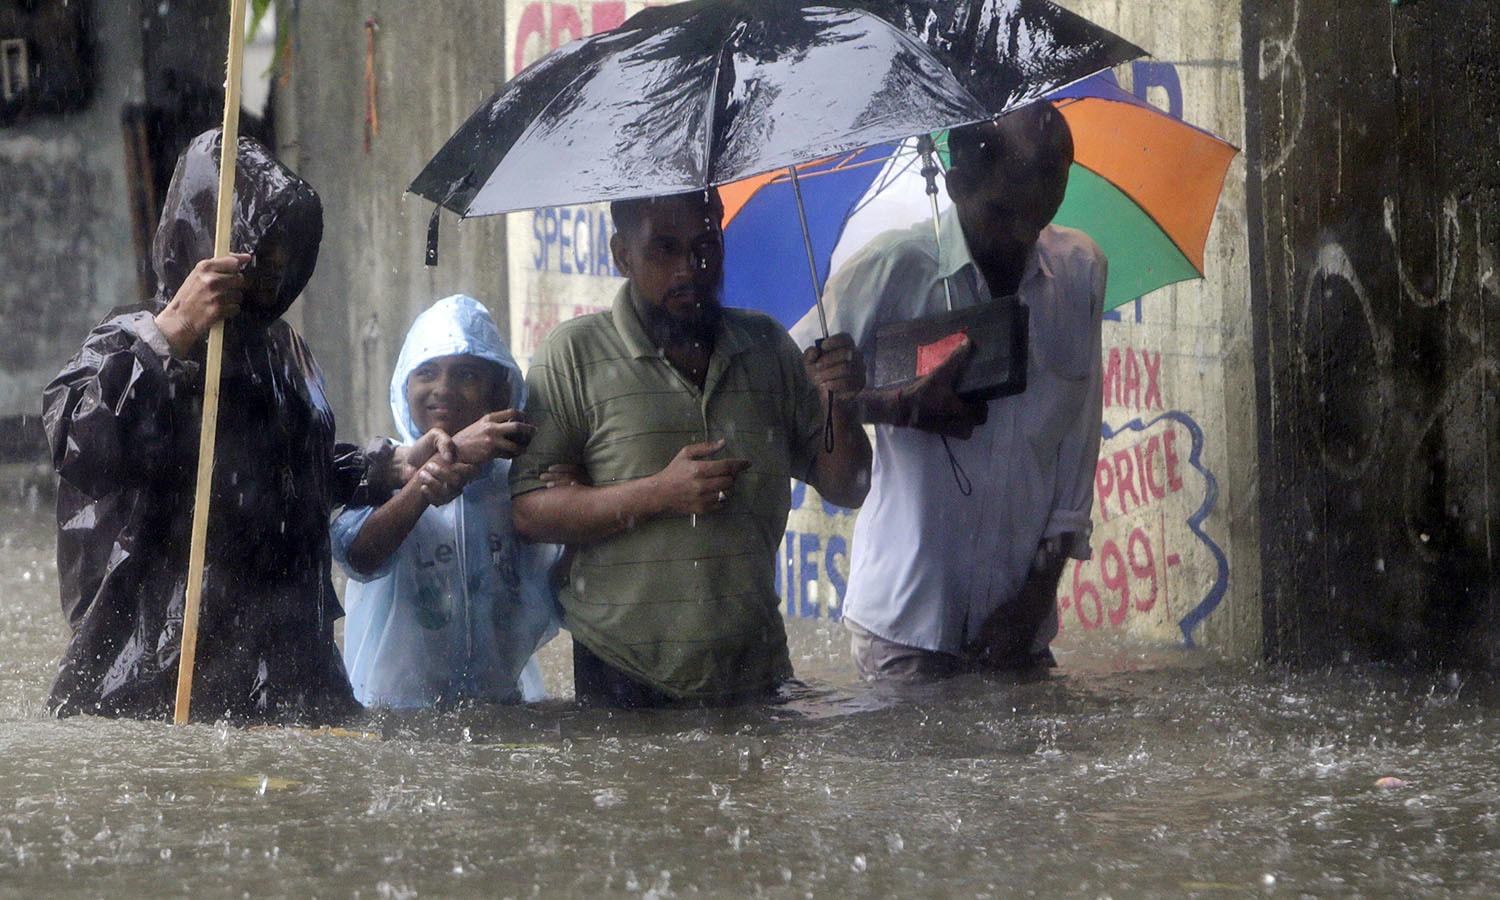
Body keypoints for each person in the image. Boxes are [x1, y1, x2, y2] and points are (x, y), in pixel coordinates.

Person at [42, 130, 392, 724]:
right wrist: (174, 332)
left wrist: (386, 468)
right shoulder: (133, 340)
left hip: (289, 669)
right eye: (262, 246)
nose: (274, 265)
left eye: (288, 247)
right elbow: (78, 444)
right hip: (160, 672)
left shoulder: (283, 353)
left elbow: (283, 481)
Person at [510, 188, 871, 708]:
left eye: (706, 245)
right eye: (665, 249)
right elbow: (528, 514)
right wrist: (658, 494)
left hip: (756, 667)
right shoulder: (572, 356)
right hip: (624, 670)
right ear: (621, 255)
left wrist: (841, 400)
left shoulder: (767, 345)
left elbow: (848, 486)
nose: (690, 267)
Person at [789, 101, 1107, 682]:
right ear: (957, 184)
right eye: (1004, 212)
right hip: (906, 624)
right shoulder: (890, 270)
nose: (1022, 236)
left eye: (1042, 214)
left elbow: (1076, 454)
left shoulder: (1080, 272)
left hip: (1020, 625)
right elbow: (788, 389)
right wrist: (894, 405)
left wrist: (1035, 599)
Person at [331, 294, 561, 708]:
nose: (443, 390)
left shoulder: (519, 484)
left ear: (500, 390)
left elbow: (566, 588)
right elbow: (357, 556)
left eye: (467, 374)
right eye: (427, 372)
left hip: (501, 712)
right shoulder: (381, 472)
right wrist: (422, 484)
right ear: (405, 384)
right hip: (393, 716)